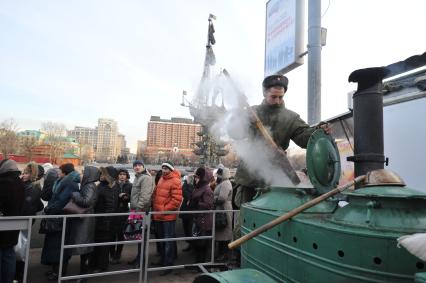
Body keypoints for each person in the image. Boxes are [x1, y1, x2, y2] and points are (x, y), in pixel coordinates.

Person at [234, 74, 328, 207]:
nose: (278, 101)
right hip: (249, 178)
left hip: (277, 178)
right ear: (265, 93)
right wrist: (239, 113)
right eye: (274, 97)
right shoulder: (251, 112)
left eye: (281, 97)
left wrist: (318, 131)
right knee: (244, 222)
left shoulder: (291, 117)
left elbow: (303, 137)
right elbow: (235, 133)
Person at [40, 163, 80, 281]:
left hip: (61, 219)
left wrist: (49, 209)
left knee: (59, 246)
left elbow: (62, 201)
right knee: (55, 245)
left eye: (60, 171)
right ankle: (55, 270)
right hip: (58, 218)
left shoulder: (70, 183)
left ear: (65, 172)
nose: (58, 173)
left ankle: (59, 272)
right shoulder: (65, 181)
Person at [66, 165, 99, 283]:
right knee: (84, 247)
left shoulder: (89, 186)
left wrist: (75, 194)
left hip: (85, 220)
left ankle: (83, 276)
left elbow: (86, 201)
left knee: (84, 248)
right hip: (85, 219)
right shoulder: (89, 185)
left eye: (85, 172)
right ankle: (82, 274)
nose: (82, 174)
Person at [151, 161, 182, 276]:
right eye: (163, 168)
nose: (164, 170)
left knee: (168, 241)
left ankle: (168, 265)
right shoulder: (161, 179)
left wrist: (164, 209)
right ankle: (163, 260)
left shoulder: (175, 180)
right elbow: (156, 195)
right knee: (162, 240)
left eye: (166, 168)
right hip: (158, 215)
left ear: (171, 169)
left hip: (167, 216)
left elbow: (176, 200)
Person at [15, 162, 44, 283]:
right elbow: (39, 205)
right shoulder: (29, 185)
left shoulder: (32, 187)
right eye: (23, 172)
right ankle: (18, 273)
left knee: (20, 248)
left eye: (26, 173)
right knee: (19, 247)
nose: (23, 175)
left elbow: (26, 206)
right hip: (24, 220)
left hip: (23, 220)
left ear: (32, 174)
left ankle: (19, 275)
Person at [89, 166, 118, 273]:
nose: (100, 176)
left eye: (102, 174)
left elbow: (110, 207)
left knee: (103, 245)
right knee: (98, 243)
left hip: (104, 222)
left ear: (108, 176)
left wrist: (106, 223)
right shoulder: (102, 185)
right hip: (99, 219)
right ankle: (94, 263)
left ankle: (101, 266)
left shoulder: (110, 188)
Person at [0, 159, 25, 283]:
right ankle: (8, 279)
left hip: (2, 224)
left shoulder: (3, 183)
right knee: (9, 252)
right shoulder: (20, 183)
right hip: (14, 224)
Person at [190, 167, 214, 263]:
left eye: (197, 177)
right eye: (195, 177)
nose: (195, 179)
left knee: (202, 244)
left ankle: (201, 264)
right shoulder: (199, 187)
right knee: (197, 243)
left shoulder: (207, 189)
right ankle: (198, 263)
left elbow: (209, 205)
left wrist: (197, 203)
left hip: (204, 220)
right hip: (198, 219)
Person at [110, 168, 132, 265]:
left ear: (127, 176)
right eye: (120, 174)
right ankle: (112, 254)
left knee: (120, 235)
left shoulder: (130, 185)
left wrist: (127, 196)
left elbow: (132, 198)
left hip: (123, 212)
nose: (122, 176)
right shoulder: (113, 185)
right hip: (114, 212)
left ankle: (118, 255)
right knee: (112, 235)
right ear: (117, 175)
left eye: (124, 174)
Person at [213, 167, 233, 262]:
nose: (218, 176)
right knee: (222, 232)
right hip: (222, 209)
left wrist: (213, 199)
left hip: (224, 209)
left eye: (220, 174)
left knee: (224, 232)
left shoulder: (225, 184)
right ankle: (221, 253)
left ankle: (223, 254)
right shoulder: (224, 183)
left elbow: (222, 198)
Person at [179, 174, 195, 252]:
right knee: (186, 229)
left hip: (190, 212)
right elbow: (185, 193)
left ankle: (192, 245)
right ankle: (190, 244)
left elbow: (187, 194)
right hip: (186, 210)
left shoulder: (193, 187)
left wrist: (186, 184)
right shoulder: (188, 186)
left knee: (190, 230)